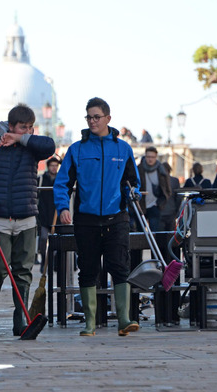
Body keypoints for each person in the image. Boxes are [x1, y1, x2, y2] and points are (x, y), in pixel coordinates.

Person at [54, 97, 141, 337]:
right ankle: (90, 323)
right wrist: (63, 207)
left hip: (117, 218)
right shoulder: (77, 149)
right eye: (89, 117)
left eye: (96, 117)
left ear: (107, 119)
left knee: (120, 268)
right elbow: (62, 183)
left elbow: (133, 180)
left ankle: (124, 319)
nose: (92, 121)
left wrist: (135, 192)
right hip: (86, 220)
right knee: (88, 269)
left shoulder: (123, 148)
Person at [0, 104, 56, 336]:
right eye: (23, 128)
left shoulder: (31, 145)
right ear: (10, 126)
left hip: (27, 217)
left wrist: (21, 139)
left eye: (31, 127)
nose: (28, 131)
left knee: (23, 271)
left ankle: (20, 317)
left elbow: (49, 146)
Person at [36, 156, 61, 270]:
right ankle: (43, 260)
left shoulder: (61, 180)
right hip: (43, 216)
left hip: (57, 217)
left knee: (57, 242)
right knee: (43, 239)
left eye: (56, 165)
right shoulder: (41, 179)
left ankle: (53, 262)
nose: (54, 168)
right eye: (52, 165)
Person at [134, 147, 167, 232]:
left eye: (152, 157)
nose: (150, 159)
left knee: (154, 232)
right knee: (140, 233)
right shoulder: (138, 169)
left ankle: (152, 246)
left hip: (155, 205)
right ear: (145, 156)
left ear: (156, 157)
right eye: (148, 157)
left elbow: (167, 189)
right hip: (140, 205)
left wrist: (160, 203)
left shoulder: (161, 170)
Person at [158, 161, 182, 232]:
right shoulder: (175, 181)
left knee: (160, 234)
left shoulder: (158, 180)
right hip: (171, 211)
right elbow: (178, 198)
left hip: (160, 211)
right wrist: (176, 210)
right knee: (171, 233)